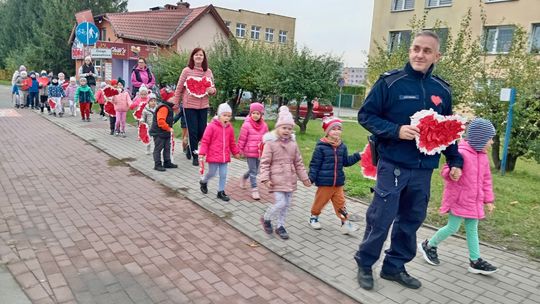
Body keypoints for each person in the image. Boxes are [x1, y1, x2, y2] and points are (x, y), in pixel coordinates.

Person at [354, 30, 464, 290]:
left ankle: (394, 267)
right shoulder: (390, 83)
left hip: (423, 169)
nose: (419, 54)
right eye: (416, 48)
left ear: (437, 55)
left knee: (411, 221)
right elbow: (366, 116)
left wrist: (455, 160)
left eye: (427, 51)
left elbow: (447, 131)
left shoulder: (442, 90)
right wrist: (396, 131)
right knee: (381, 219)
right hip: (392, 164)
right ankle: (365, 263)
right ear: (409, 50)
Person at [418, 118, 497, 275]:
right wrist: (451, 172)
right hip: (459, 199)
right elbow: (445, 170)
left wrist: (488, 200)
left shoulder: (483, 157)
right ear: (480, 138)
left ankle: (475, 261)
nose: (492, 142)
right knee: (452, 227)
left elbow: (486, 180)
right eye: (490, 138)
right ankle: (429, 244)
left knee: (472, 229)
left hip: (474, 201)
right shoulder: (461, 152)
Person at [259, 106, 311, 240]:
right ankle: (266, 218)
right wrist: (265, 179)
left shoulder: (293, 144)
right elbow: (264, 163)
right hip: (275, 179)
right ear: (278, 128)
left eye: (289, 128)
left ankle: (280, 226)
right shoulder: (270, 144)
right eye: (284, 128)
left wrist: (304, 178)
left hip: (290, 179)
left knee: (286, 205)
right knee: (281, 203)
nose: (286, 131)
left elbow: (298, 162)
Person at [308, 117, 361, 235]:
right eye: (333, 129)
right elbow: (314, 164)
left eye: (339, 129)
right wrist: (311, 178)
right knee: (320, 202)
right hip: (325, 182)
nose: (337, 131)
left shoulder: (342, 146)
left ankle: (345, 223)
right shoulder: (321, 147)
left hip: (338, 183)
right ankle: (314, 217)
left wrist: (358, 156)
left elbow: (346, 162)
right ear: (327, 132)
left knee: (341, 203)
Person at [173, 47, 217, 166]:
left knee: (202, 131)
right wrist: (176, 104)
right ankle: (195, 154)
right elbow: (179, 88)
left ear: (204, 58)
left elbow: (214, 89)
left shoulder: (208, 72)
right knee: (192, 131)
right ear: (192, 57)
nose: (198, 57)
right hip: (189, 106)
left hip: (203, 106)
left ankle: (189, 147)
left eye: (201, 55)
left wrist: (211, 90)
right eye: (196, 55)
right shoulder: (186, 71)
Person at [198, 103, 241, 202]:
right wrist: (202, 152)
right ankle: (204, 181)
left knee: (223, 174)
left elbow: (232, 142)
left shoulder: (230, 128)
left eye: (229, 116)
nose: (227, 118)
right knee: (212, 173)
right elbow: (205, 141)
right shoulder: (211, 126)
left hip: (225, 156)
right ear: (219, 115)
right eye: (225, 115)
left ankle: (220, 192)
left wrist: (236, 152)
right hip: (213, 155)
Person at [237, 102, 269, 200]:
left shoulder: (264, 126)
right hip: (250, 152)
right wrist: (239, 150)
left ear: (261, 115)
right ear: (250, 113)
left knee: (256, 170)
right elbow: (242, 139)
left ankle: (244, 177)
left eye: (258, 113)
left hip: (260, 152)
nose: (255, 115)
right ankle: (254, 189)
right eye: (253, 113)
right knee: (253, 171)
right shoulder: (246, 125)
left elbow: (267, 139)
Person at [149, 90, 178, 171]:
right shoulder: (164, 108)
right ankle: (157, 164)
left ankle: (167, 162)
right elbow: (161, 121)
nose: (174, 98)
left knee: (167, 147)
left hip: (165, 132)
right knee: (158, 148)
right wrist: (169, 128)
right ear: (168, 99)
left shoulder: (168, 107)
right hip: (159, 132)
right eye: (173, 97)